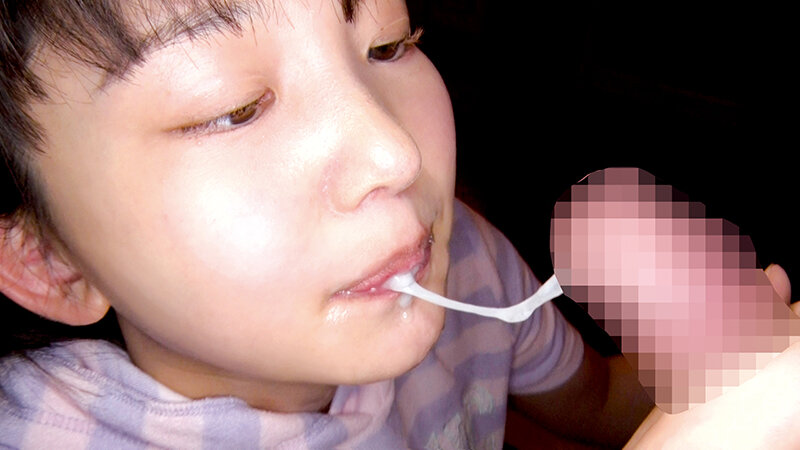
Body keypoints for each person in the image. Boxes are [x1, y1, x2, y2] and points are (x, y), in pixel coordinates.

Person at [0, 1, 791, 448]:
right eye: (232, 108)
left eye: (387, 43)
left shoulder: (462, 267)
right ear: (48, 261)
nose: (396, 152)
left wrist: (705, 357)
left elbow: (598, 405)